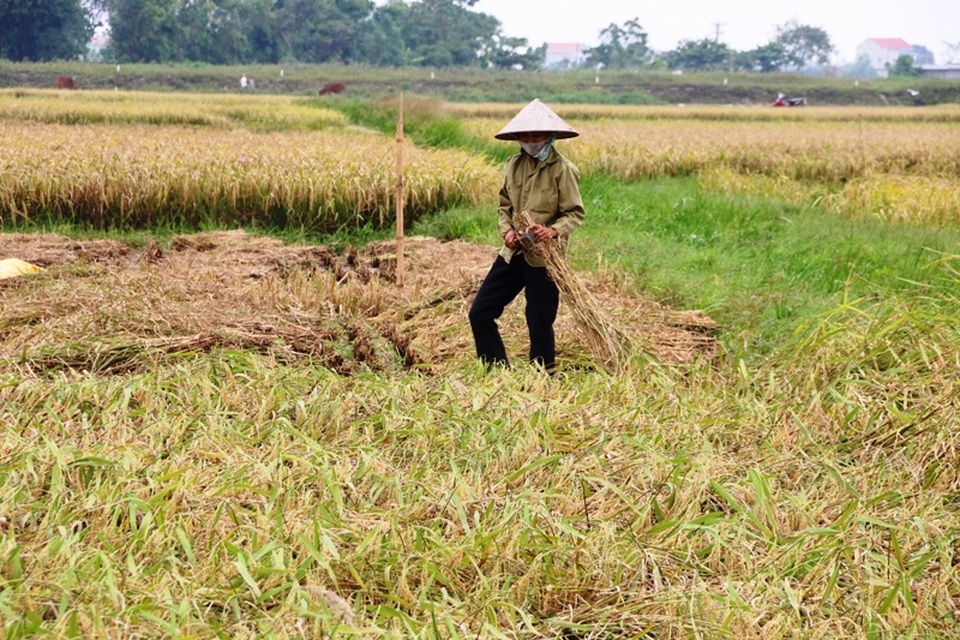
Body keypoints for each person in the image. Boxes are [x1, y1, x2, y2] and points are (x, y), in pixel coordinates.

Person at [468, 99, 585, 372]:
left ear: (550, 136)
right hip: (514, 253)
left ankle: (542, 378)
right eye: (526, 135)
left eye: (538, 135)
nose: (532, 140)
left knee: (539, 321)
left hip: (545, 258)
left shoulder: (563, 170)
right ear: (518, 138)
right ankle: (495, 371)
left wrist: (551, 231)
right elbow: (504, 205)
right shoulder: (512, 165)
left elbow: (574, 213)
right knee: (480, 313)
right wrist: (507, 231)